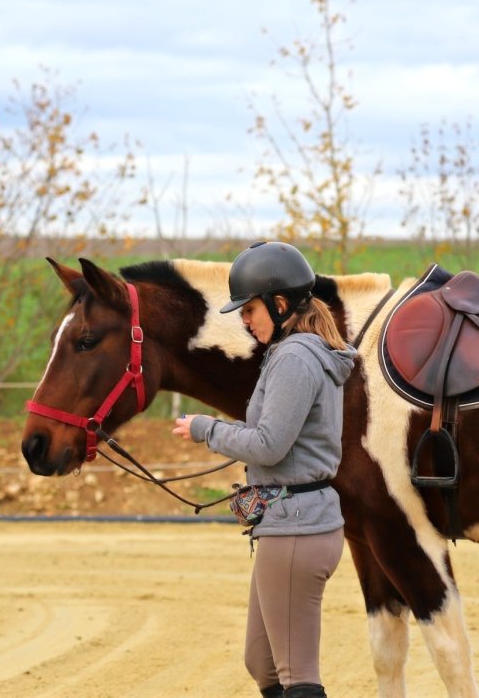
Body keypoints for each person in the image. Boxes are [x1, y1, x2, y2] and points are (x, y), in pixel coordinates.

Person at [172, 241, 356, 698]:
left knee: (298, 678)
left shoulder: (295, 358)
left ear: (280, 303)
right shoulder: (291, 353)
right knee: (262, 663)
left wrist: (206, 428)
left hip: (296, 529)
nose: (244, 319)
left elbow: (269, 445)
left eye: (250, 308)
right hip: (286, 524)